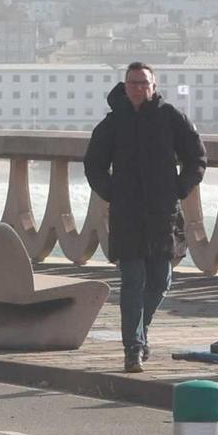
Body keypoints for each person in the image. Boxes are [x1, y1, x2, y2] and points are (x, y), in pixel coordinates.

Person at [83, 61, 206, 373]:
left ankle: (140, 331)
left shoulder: (170, 117)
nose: (139, 87)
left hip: (163, 213)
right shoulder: (113, 123)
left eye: (144, 83)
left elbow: (197, 156)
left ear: (154, 86)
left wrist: (179, 188)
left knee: (160, 281)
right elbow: (93, 164)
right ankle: (133, 349)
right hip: (127, 215)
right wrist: (112, 192)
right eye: (133, 82)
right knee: (133, 282)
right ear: (125, 87)